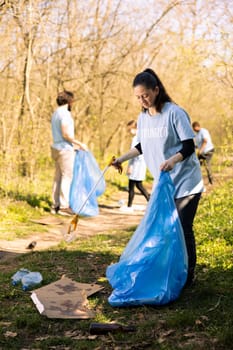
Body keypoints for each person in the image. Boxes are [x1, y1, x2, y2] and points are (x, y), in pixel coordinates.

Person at [112, 68, 204, 287]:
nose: (142, 100)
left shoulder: (175, 113)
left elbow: (189, 146)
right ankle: (169, 269)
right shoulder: (143, 118)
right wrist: (121, 159)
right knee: (164, 229)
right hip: (165, 185)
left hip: (186, 182)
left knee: (182, 227)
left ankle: (188, 276)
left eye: (145, 95)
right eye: (138, 97)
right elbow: (142, 146)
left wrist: (173, 160)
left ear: (156, 90)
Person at [50, 90, 87, 216]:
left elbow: (60, 134)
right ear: (70, 101)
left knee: (58, 177)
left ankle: (55, 205)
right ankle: (64, 207)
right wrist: (79, 143)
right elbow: (66, 134)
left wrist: (74, 145)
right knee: (67, 177)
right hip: (64, 149)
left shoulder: (55, 113)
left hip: (56, 147)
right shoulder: (65, 114)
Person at [120, 120, 150, 213]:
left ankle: (129, 206)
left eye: (129, 129)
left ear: (134, 128)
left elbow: (133, 153)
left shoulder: (136, 138)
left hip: (136, 165)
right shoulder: (141, 136)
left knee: (133, 185)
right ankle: (150, 202)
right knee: (138, 185)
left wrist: (130, 166)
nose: (129, 131)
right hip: (140, 164)